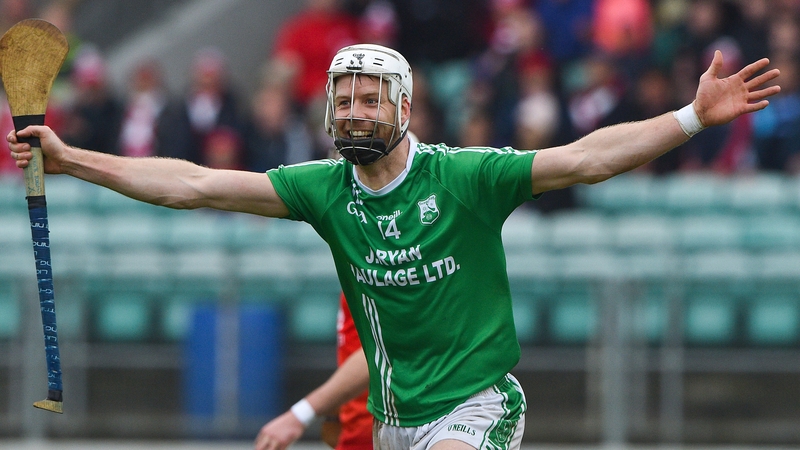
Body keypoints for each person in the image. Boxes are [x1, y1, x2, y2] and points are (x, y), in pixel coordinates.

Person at [7, 44, 780, 450]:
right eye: (342, 96)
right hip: (391, 421)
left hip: (477, 406)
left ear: (405, 106)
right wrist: (77, 162)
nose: (352, 108)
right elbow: (195, 184)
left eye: (370, 96)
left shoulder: (467, 177)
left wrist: (690, 118)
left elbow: (587, 158)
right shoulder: (323, 189)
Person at [255, 294, 372, 450]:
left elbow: (380, 353)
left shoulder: (376, 277)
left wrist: (300, 414)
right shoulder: (353, 277)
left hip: (377, 435)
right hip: (359, 433)